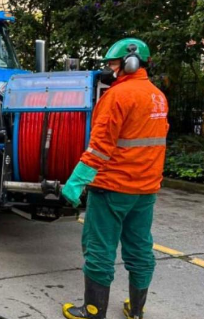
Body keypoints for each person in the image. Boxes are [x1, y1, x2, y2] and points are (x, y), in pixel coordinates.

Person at [61, 38, 169, 319]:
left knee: (99, 250)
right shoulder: (157, 96)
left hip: (112, 188)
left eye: (113, 63)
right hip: (145, 190)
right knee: (140, 249)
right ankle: (136, 310)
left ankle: (93, 311)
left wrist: (76, 181)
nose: (109, 68)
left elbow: (99, 146)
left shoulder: (118, 96)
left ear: (130, 62)